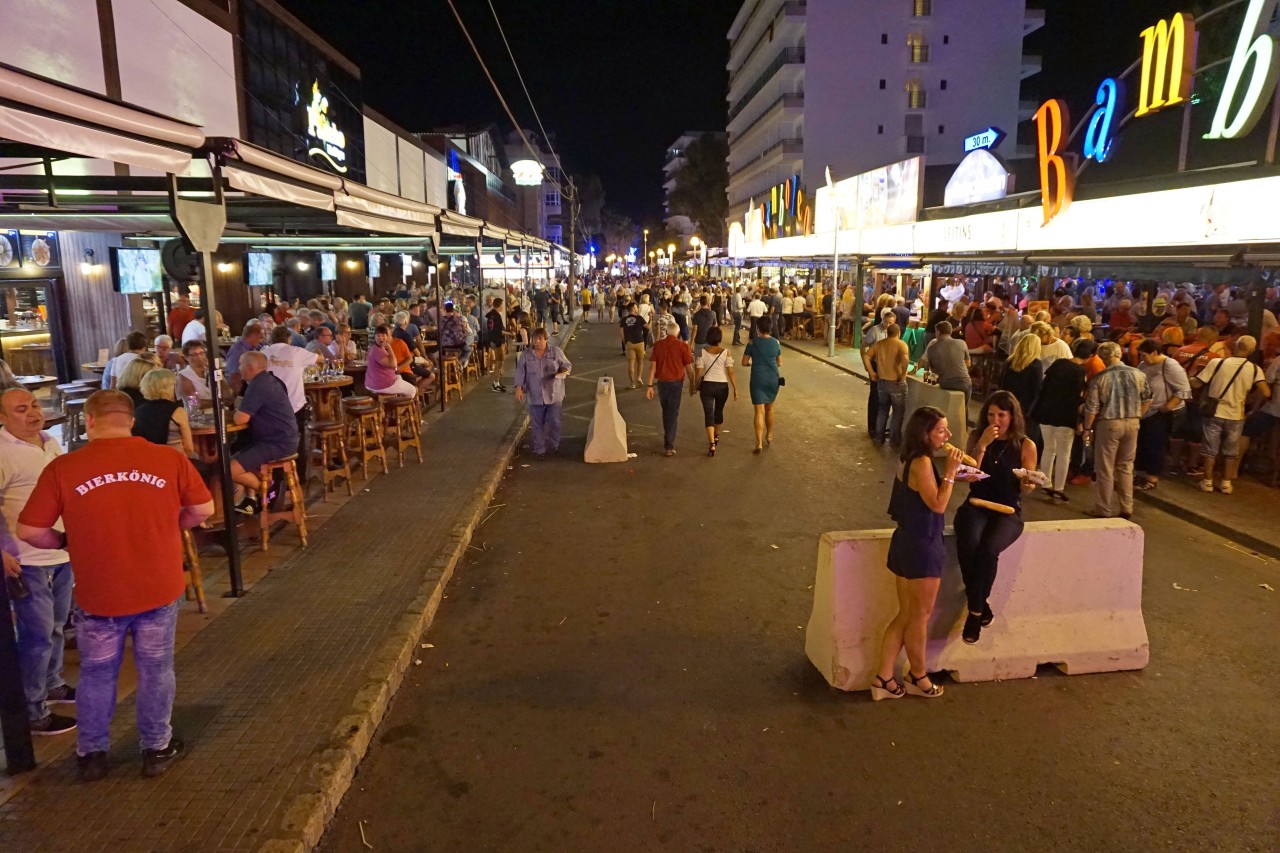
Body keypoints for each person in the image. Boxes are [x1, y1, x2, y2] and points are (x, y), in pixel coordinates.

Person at [17, 390, 213, 781]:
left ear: (89, 421)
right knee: (156, 669)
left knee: (97, 673)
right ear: (131, 420)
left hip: (98, 592)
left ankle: (92, 755)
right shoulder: (168, 459)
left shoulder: (64, 468)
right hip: (158, 585)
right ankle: (156, 749)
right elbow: (203, 510)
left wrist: (64, 543)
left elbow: (30, 530)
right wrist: (168, 527)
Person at [872, 406, 964, 701]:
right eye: (941, 430)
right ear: (924, 434)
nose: (947, 436)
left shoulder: (908, 457)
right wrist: (950, 474)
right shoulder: (923, 462)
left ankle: (883, 677)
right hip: (923, 545)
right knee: (919, 617)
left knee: (906, 614)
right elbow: (937, 504)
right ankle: (918, 675)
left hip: (905, 542)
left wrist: (953, 476)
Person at [0, 388, 76, 736]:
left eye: (33, 405)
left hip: (60, 551)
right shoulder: (2, 452)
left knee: (58, 625)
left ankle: (52, 683)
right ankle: (32, 708)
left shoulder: (50, 442)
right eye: (20, 409)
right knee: (36, 635)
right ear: (2, 418)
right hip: (26, 559)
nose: (32, 412)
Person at [955, 391, 1039, 644]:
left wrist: (1028, 483)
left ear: (1012, 416)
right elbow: (968, 474)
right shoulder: (977, 437)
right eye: (991, 415)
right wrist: (981, 445)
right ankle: (981, 606)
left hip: (1008, 509)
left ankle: (975, 612)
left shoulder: (1025, 445)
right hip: (977, 502)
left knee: (989, 549)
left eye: (1001, 415)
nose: (996, 420)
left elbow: (1027, 487)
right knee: (968, 543)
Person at [1191, 335, 1269, 495]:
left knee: (1210, 449)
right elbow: (1266, 392)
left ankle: (1207, 482)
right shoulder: (1255, 369)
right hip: (1236, 414)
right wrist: (1250, 401)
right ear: (1252, 350)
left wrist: (1190, 375)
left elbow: (1198, 382)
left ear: (1235, 346)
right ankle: (1226, 483)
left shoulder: (1217, 363)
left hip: (1214, 412)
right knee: (1230, 451)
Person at [1083, 341, 1153, 519]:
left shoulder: (1100, 378)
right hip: (1133, 422)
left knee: (1105, 468)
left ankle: (1103, 509)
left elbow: (1092, 408)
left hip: (1110, 423)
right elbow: (1148, 399)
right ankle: (1126, 507)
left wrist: (1087, 428)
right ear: (1119, 354)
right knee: (1126, 467)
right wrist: (1138, 415)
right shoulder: (1138, 374)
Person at [228, 352, 300, 515]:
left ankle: (269, 489)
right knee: (238, 451)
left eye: (240, 365)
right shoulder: (268, 380)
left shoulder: (258, 385)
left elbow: (240, 419)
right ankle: (255, 496)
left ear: (249, 367)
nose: (238, 369)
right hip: (283, 438)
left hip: (277, 442)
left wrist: (233, 412)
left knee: (227, 469)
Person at [263, 325, 322, 482]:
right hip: (294, 405)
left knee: (274, 441)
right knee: (297, 442)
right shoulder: (296, 352)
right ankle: (298, 477)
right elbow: (320, 359)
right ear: (289, 339)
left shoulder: (264, 353)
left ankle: (277, 478)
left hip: (270, 407)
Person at [1032, 342, 1088, 502]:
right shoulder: (1080, 371)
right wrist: (1079, 422)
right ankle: (1058, 489)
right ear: (1089, 356)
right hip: (1066, 416)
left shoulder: (1058, 364)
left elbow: (1045, 386)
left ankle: (1045, 483)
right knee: (1064, 453)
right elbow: (1077, 398)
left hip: (1046, 412)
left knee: (1049, 449)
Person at [1134, 338, 1191, 491]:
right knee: (1142, 443)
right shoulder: (1144, 365)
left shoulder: (1170, 365)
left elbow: (1183, 389)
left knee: (1155, 444)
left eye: (1144, 355)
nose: (1142, 358)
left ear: (1154, 352)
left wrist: (1168, 406)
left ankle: (1152, 477)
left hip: (1161, 412)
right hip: (1146, 411)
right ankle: (1140, 473)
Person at [514, 328, 572, 457]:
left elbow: (567, 365)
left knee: (555, 422)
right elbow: (520, 372)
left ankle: (554, 445)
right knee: (537, 424)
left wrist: (563, 370)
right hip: (535, 396)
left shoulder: (556, 352)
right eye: (535, 339)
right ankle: (539, 449)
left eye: (540, 339)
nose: (537, 341)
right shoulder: (526, 355)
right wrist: (518, 388)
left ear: (546, 339)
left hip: (554, 394)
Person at [646, 319, 695, 456]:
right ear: (678, 332)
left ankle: (668, 438)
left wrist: (649, 385)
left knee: (666, 410)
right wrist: (692, 384)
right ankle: (669, 445)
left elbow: (652, 368)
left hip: (662, 383)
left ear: (666, 332)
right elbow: (689, 369)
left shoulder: (658, 345)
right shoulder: (683, 347)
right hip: (676, 384)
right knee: (672, 413)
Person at [915, 320, 972, 421]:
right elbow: (968, 363)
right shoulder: (961, 343)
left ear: (937, 332)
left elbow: (934, 370)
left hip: (946, 383)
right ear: (950, 332)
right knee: (964, 408)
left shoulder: (931, 348)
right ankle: (964, 428)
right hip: (964, 382)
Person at [693, 326, 737, 456]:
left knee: (708, 414)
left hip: (707, 386)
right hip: (722, 386)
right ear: (719, 338)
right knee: (718, 411)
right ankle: (717, 435)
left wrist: (695, 385)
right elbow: (731, 371)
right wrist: (735, 388)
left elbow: (699, 371)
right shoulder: (725, 352)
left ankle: (712, 444)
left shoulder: (702, 352)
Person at [742, 316, 783, 453]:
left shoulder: (752, 343)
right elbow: (779, 363)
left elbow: (744, 362)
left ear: (758, 328)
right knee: (770, 408)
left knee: (759, 411)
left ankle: (759, 443)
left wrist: (752, 364)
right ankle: (769, 435)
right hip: (772, 379)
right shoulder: (776, 343)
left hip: (758, 378)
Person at [132, 369, 195, 456]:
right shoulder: (177, 411)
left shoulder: (138, 411)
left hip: (146, 460)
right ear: (171, 387)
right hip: (173, 459)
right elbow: (188, 448)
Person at [1000, 333, 1044, 450]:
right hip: (1026, 408)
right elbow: (1037, 389)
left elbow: (1001, 382)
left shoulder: (1009, 361)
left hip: (1008, 403)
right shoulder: (1035, 364)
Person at [364, 324, 418, 399]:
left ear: (388, 336)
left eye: (383, 335)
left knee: (399, 378)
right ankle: (401, 409)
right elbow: (394, 364)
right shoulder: (378, 351)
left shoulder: (374, 348)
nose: (381, 338)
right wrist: (389, 348)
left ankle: (394, 406)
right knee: (412, 390)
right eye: (378, 336)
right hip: (382, 384)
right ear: (375, 337)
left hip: (373, 383)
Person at [226, 321, 265, 395]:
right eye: (260, 337)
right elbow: (234, 376)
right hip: (241, 389)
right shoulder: (238, 350)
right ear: (253, 335)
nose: (261, 341)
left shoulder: (251, 348)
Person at [620, 302, 648, 389]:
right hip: (640, 342)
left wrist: (625, 341)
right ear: (633, 308)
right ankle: (639, 378)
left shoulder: (624, 319)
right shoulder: (639, 318)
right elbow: (648, 327)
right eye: (636, 307)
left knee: (631, 363)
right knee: (640, 361)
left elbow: (621, 331)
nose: (637, 308)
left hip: (629, 343)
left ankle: (632, 383)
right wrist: (651, 317)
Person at [485, 297, 510, 392]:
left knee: (499, 362)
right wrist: (510, 334)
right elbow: (499, 331)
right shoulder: (496, 316)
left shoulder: (491, 315)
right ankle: (495, 384)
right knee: (499, 362)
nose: (503, 307)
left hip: (492, 340)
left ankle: (497, 382)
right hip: (497, 341)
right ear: (499, 305)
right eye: (502, 305)